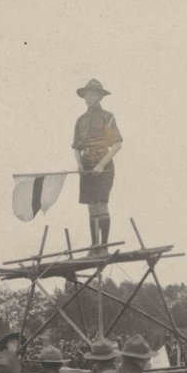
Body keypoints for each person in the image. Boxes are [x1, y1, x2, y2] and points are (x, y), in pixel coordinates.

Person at [72, 78, 123, 255]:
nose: (89, 97)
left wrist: (102, 164)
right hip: (86, 167)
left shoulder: (107, 117)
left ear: (100, 97)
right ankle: (94, 247)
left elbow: (117, 145)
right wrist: (79, 164)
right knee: (91, 208)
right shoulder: (80, 120)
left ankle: (104, 247)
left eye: (93, 94)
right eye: (87, 94)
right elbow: (76, 148)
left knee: (101, 204)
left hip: (104, 165)